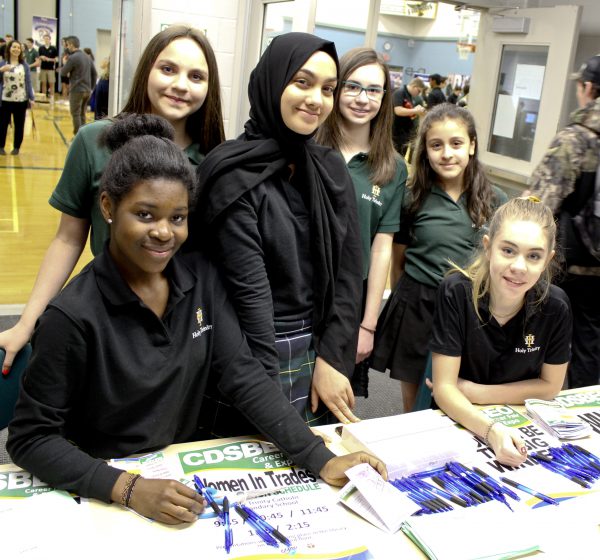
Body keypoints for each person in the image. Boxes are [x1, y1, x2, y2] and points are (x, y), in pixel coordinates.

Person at [7, 114, 386, 524]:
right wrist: (126, 488)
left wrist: (320, 457)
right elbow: (30, 438)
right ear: (108, 207)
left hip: (177, 471)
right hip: (104, 484)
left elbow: (241, 373)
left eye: (178, 217)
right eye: (145, 215)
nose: (164, 233)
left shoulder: (200, 278)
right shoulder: (72, 315)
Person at [0, 25, 225, 374]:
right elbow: (67, 238)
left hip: (183, 331)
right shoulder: (94, 142)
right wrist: (27, 321)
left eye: (196, 76)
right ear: (146, 69)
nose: (181, 84)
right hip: (106, 321)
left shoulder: (215, 160)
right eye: (168, 69)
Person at [196, 32, 363, 427]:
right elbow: (250, 298)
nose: (315, 100)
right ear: (273, 81)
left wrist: (332, 359)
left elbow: (348, 274)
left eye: (327, 89)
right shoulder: (231, 172)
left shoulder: (328, 169)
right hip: (247, 355)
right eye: (302, 82)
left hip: (317, 348)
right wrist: (268, 401)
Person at [371, 103, 507, 413]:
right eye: (436, 145)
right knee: (416, 400)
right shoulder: (412, 197)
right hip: (418, 305)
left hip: (470, 308)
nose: (447, 153)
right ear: (425, 151)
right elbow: (399, 256)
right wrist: (407, 300)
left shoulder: (495, 199)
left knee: (461, 395)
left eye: (456, 143)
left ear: (471, 145)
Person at [430, 197, 571, 467]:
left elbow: (551, 386)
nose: (519, 266)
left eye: (533, 256)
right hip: (459, 417)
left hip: (520, 421)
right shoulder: (456, 292)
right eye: (508, 250)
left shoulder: (556, 306)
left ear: (547, 260)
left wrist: (476, 391)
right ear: (488, 247)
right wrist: (492, 431)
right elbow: (444, 389)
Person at [316, 47, 406, 397]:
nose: (362, 98)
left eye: (373, 90)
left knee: (337, 403)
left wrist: (368, 325)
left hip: (352, 299)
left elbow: (382, 247)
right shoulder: (310, 148)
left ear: (385, 99)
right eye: (352, 87)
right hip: (303, 292)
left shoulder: (392, 167)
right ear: (336, 89)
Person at [526, 54, 600, 389]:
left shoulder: (574, 140)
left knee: (549, 345)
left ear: (588, 88)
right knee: (592, 352)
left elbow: (537, 208)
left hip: (572, 270)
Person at [0, 40, 35, 155]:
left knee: (19, 125)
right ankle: (1, 146)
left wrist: (31, 97)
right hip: (5, 99)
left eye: (18, 48)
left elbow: (28, 82)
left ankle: (16, 147)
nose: (16, 49)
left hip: (21, 99)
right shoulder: (3, 63)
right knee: (2, 124)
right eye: (14, 47)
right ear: (9, 49)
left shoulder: (24, 65)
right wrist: (1, 70)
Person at [60, 36, 97, 135]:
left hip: (77, 89)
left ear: (71, 45)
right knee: (82, 113)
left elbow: (63, 72)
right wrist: (92, 88)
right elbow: (95, 73)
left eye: (67, 45)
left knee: (75, 113)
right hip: (87, 90)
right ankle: (83, 135)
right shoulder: (87, 56)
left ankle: (77, 136)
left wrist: (64, 63)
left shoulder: (73, 58)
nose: (67, 47)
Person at [391, 77, 425, 156]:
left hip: (404, 132)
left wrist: (416, 111)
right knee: (395, 156)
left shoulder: (409, 95)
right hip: (397, 132)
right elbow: (398, 110)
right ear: (414, 86)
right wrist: (415, 110)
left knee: (401, 155)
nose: (418, 94)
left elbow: (407, 110)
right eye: (418, 91)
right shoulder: (400, 93)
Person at [38, 34, 57, 103]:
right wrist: (41, 57)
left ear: (50, 39)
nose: (46, 40)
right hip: (43, 68)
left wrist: (49, 59)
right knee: (43, 83)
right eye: (45, 39)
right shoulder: (41, 48)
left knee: (51, 83)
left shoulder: (53, 48)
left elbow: (56, 59)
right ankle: (43, 97)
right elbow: (39, 57)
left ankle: (52, 97)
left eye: (47, 39)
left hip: (50, 69)